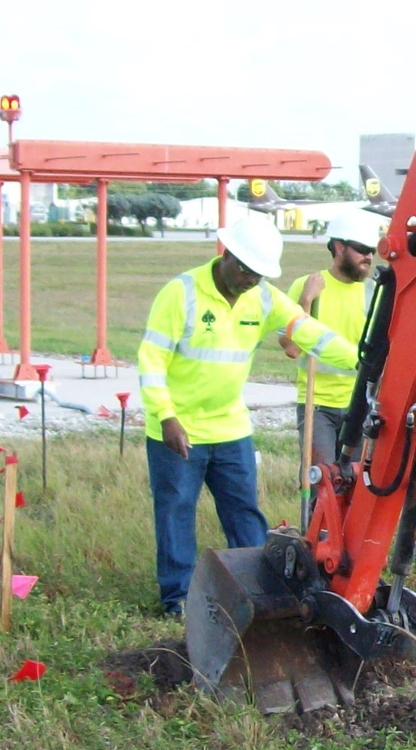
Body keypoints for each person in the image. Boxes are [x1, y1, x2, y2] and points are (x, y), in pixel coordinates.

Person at [138, 214, 360, 616]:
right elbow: (151, 359)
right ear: (226, 254)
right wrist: (166, 415)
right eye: (245, 270)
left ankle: (259, 588)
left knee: (244, 513)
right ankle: (178, 600)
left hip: (230, 428)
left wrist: (363, 360)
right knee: (175, 513)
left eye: (258, 275)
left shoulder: (264, 298)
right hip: (177, 429)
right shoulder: (181, 293)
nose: (249, 280)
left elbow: (310, 332)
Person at [283, 211, 380, 467]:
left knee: (356, 487)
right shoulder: (307, 286)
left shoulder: (374, 293)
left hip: (360, 405)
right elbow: (291, 348)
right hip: (317, 405)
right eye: (361, 249)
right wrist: (305, 301)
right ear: (339, 247)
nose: (368, 257)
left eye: (371, 250)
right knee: (321, 484)